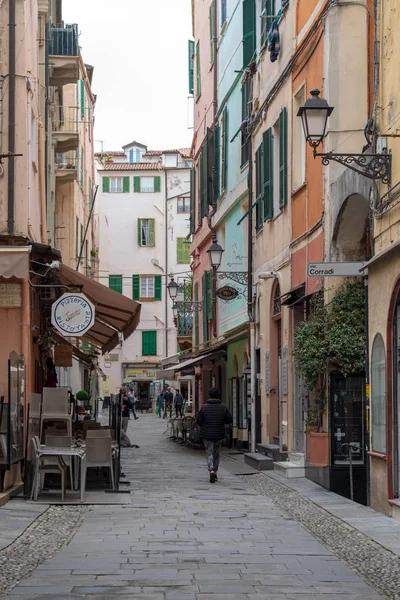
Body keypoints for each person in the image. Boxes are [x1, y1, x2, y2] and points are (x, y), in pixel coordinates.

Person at [196, 388, 233, 483]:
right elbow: (229, 419)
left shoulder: (204, 407)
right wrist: (221, 421)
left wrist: (205, 425)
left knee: (209, 452)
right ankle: (215, 471)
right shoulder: (223, 407)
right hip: (219, 433)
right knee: (216, 453)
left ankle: (211, 469)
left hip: (207, 434)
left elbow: (199, 421)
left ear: (210, 395)